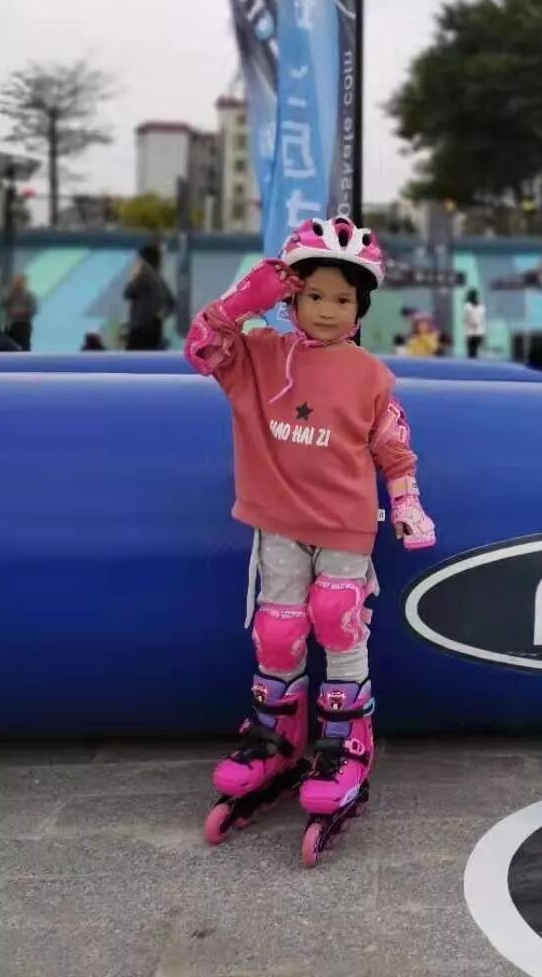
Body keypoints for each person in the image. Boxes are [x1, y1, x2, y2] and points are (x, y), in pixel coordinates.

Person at [185, 216, 436, 865]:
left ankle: (348, 745)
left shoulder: (370, 375)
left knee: (338, 618)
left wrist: (407, 504)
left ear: (360, 308)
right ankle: (276, 736)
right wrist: (244, 301)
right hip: (278, 520)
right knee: (277, 630)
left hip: (345, 523)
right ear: (291, 297)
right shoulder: (258, 356)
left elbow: (394, 449)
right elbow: (201, 348)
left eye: (343, 299)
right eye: (315, 295)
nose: (327, 310)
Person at [124, 243, 175, 350]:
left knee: (132, 358)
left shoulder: (143, 275)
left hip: (140, 327)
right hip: (155, 327)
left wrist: (133, 277)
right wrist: (159, 316)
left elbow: (127, 293)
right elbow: (172, 303)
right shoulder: (158, 278)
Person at [4, 274, 37, 351]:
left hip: (24, 324)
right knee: (11, 346)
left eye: (20, 282)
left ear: (24, 283)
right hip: (12, 324)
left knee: (24, 346)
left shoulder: (29, 295)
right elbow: (4, 304)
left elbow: (33, 309)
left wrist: (21, 313)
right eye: (16, 282)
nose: (18, 284)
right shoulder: (11, 295)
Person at [463, 289, 487, 359]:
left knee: (471, 352)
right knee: (475, 352)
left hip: (471, 333)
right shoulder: (482, 307)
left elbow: (467, 319)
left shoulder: (467, 307)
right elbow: (481, 320)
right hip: (478, 332)